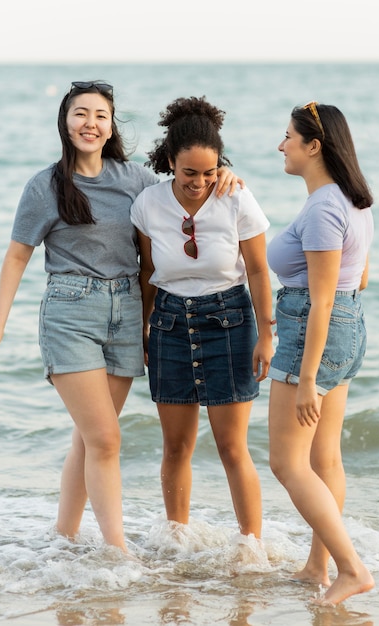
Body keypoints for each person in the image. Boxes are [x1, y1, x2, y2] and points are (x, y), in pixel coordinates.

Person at [0, 81, 240, 551]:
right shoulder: (45, 186)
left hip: (128, 313)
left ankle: (65, 536)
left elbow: (187, 188)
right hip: (70, 313)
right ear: (65, 121)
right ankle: (117, 551)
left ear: (110, 125)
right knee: (105, 439)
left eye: (100, 115)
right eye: (80, 114)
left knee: (89, 438)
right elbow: (17, 255)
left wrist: (225, 175)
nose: (90, 123)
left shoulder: (135, 180)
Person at [130, 96, 273, 539]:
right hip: (170, 324)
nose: (200, 182)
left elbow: (257, 270)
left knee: (232, 447)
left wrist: (266, 335)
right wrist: (144, 327)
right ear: (170, 161)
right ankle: (177, 542)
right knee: (176, 447)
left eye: (209, 173)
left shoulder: (236, 198)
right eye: (189, 172)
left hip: (229, 320)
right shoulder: (148, 204)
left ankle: (252, 546)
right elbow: (147, 272)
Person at [266, 101, 375, 605]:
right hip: (346, 328)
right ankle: (318, 566)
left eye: (288, 136)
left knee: (287, 464)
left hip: (315, 330)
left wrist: (307, 376)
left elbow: (322, 298)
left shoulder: (326, 208)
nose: (281, 144)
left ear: (314, 146)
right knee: (323, 456)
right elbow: (359, 278)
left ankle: (350, 569)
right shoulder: (353, 201)